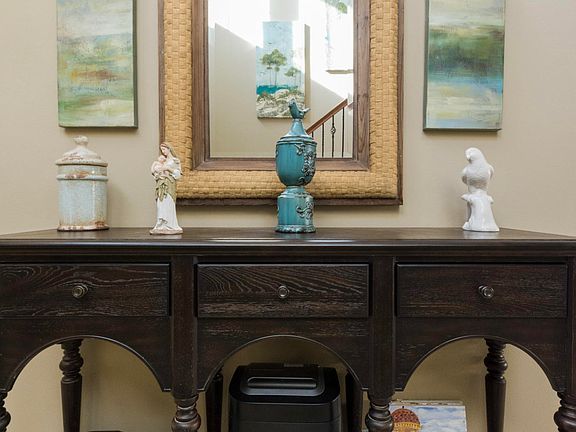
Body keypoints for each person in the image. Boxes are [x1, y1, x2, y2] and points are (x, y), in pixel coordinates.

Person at [150, 142, 183, 235]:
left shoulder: (175, 161)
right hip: (161, 185)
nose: (163, 152)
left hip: (169, 185)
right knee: (161, 204)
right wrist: (157, 174)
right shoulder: (162, 161)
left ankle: (170, 225)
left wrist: (168, 169)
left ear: (169, 149)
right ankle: (161, 225)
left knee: (168, 203)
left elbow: (178, 174)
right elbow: (155, 172)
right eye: (162, 150)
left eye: (164, 149)